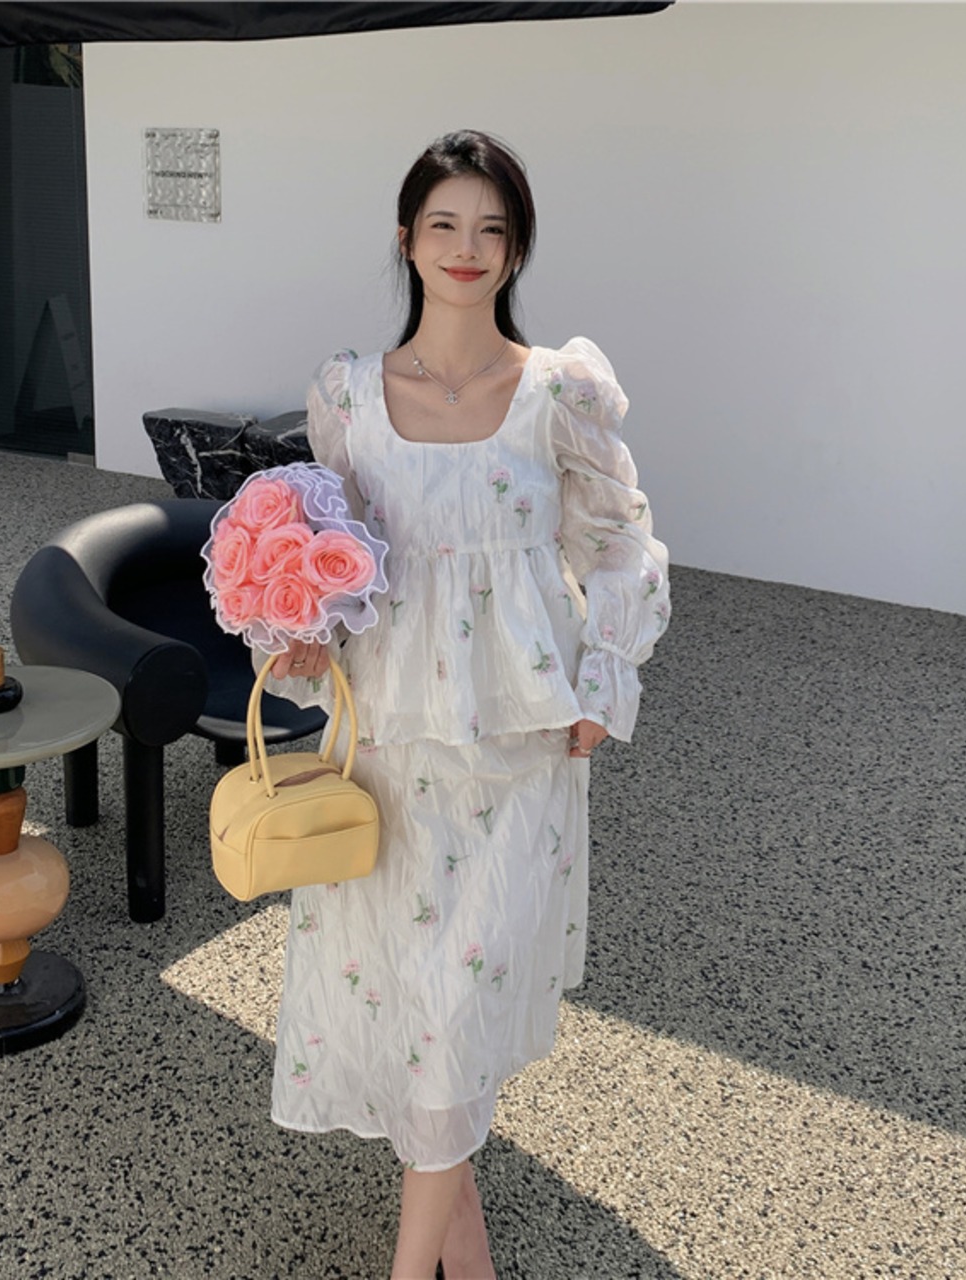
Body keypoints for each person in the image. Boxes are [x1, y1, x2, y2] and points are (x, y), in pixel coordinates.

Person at [259, 130, 670, 1280]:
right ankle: (467, 1258)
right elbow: (336, 558)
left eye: (491, 228)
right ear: (405, 238)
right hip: (384, 743)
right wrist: (297, 632)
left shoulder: (555, 392)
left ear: (515, 248)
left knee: (454, 1005)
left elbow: (621, 538)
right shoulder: (347, 394)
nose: (466, 247)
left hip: (518, 747)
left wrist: (606, 674)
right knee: (416, 1004)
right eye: (443, 223)